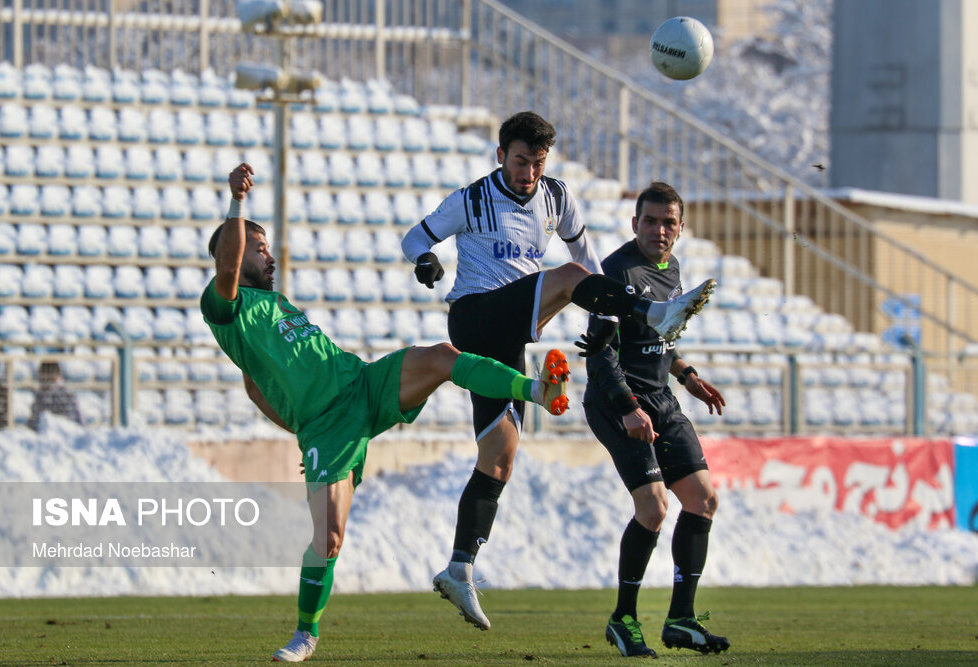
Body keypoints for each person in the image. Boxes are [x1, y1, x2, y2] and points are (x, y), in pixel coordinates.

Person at [201, 163, 573, 662]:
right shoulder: (224, 305)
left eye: (266, 247)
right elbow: (231, 288)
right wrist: (237, 204)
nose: (269, 256)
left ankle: (537, 390)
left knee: (442, 357)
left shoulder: (277, 304)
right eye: (259, 248)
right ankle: (305, 634)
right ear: (237, 251)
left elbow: (255, 385)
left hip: (363, 384)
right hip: (327, 428)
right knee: (329, 539)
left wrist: (291, 418)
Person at [400, 111, 716, 630]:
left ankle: (459, 568)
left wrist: (603, 312)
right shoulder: (472, 198)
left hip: (510, 337)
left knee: (499, 457)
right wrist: (424, 261)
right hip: (476, 317)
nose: (529, 172)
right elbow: (415, 237)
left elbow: (588, 260)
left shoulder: (557, 197)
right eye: (521, 161)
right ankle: (655, 313)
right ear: (501, 155)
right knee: (567, 277)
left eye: (538, 163)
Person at [582, 181, 730, 657]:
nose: (659, 230)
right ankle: (623, 618)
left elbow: (661, 338)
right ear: (635, 224)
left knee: (703, 500)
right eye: (651, 221)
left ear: (681, 228)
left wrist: (688, 376)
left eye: (669, 222)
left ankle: (681, 620)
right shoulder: (617, 271)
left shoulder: (673, 270)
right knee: (653, 508)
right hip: (616, 400)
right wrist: (629, 409)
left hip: (662, 396)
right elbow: (599, 354)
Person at [29, 361, 81, 430]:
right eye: (41, 378)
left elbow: (71, 423)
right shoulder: (40, 396)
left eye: (46, 378)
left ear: (56, 376)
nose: (43, 381)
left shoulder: (66, 395)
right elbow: (33, 422)